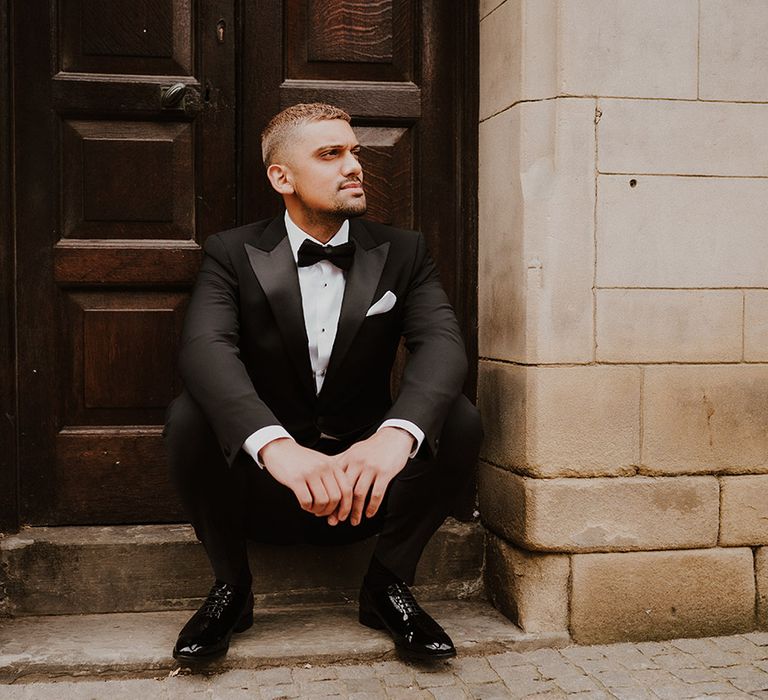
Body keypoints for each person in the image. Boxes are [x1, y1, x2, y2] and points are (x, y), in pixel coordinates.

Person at [163, 102, 482, 664]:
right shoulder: (231, 253)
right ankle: (232, 589)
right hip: (270, 487)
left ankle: (387, 586)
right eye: (331, 154)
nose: (354, 165)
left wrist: (393, 437)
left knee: (458, 417)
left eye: (354, 151)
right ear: (281, 177)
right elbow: (204, 349)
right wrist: (277, 447)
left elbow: (443, 345)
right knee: (189, 416)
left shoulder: (404, 251)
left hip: (370, 487)